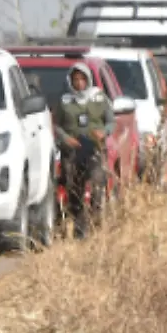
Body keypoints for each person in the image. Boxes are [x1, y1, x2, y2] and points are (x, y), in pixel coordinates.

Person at [54, 63, 115, 239]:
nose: (79, 83)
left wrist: (104, 132)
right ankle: (79, 227)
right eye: (76, 80)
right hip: (72, 150)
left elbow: (111, 121)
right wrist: (66, 138)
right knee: (74, 187)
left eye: (82, 79)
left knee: (97, 182)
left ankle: (95, 221)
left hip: (94, 148)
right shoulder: (64, 101)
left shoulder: (99, 98)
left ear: (88, 79)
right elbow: (56, 125)